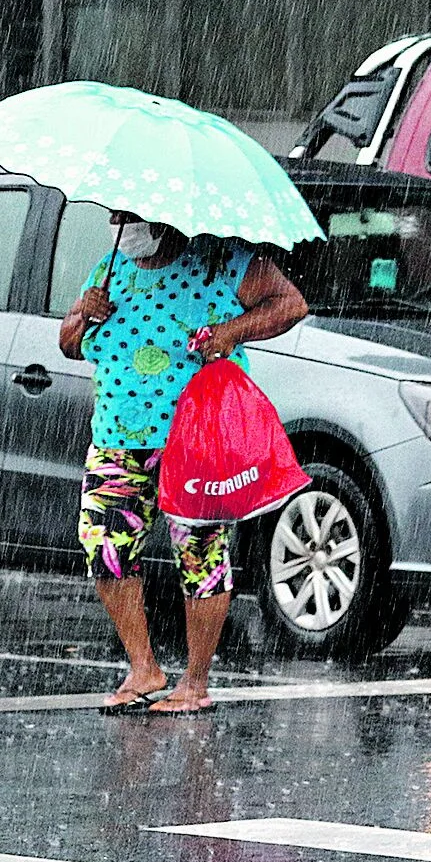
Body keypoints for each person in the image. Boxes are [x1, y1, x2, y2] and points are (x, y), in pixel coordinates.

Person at [58, 213, 308, 715]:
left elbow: (291, 305)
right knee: (105, 549)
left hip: (195, 441)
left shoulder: (222, 262)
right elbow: (67, 344)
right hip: (116, 439)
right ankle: (143, 669)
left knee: (200, 558)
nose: (119, 225)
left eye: (129, 217)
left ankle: (194, 684)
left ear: (164, 218)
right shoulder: (108, 270)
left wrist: (230, 331)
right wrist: (83, 313)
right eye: (112, 216)